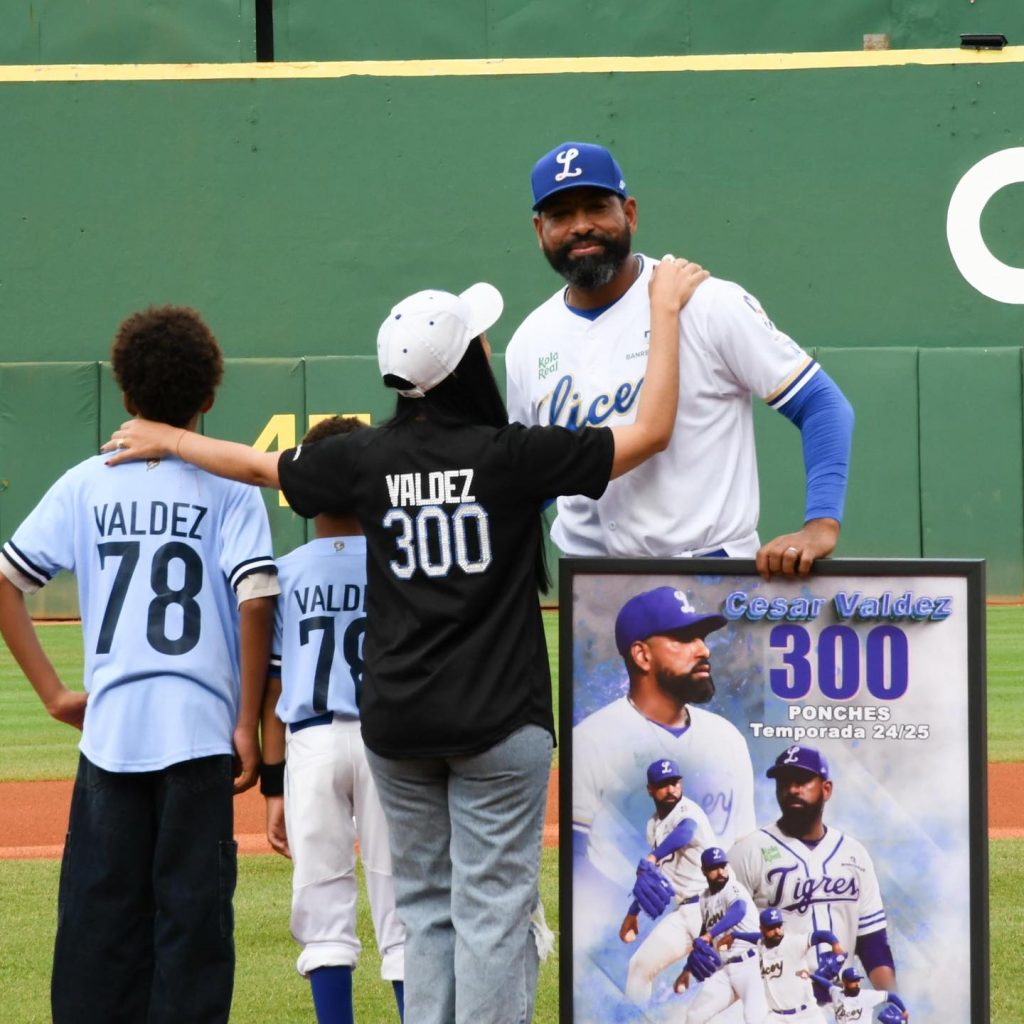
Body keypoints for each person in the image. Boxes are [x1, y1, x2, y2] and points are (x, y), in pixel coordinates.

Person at [101, 258, 709, 1024]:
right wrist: (666, 308)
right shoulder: (513, 454)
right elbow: (650, 432)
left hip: (398, 722)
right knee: (491, 915)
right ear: (461, 366)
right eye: (476, 341)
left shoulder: (367, 458)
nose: (487, 348)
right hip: (497, 720)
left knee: (425, 915)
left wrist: (166, 436)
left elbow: (257, 466)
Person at [0, 306, 278, 1024]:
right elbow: (256, 600)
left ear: (124, 395)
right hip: (197, 734)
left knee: (99, 923)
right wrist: (246, 721)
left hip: (112, 731)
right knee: (192, 926)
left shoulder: (84, 482)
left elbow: (6, 581)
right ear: (209, 397)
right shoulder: (232, 485)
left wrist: (56, 693)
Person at [505, 140, 855, 580]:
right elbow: (532, 474)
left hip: (707, 571)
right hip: (590, 585)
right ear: (539, 231)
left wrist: (820, 524)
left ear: (629, 214)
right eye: (561, 216)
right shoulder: (528, 342)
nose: (580, 226)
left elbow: (821, 404)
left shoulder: (704, 303)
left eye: (596, 207)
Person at [260, 415, 405, 1023]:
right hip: (389, 746)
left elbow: (272, 689)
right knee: (403, 906)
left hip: (312, 742)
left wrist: (272, 788)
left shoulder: (284, 572)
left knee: (321, 907)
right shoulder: (399, 565)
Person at [573, 586, 756, 883]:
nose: (704, 650)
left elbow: (743, 850)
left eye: (702, 638)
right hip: (619, 923)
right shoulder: (591, 740)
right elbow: (575, 861)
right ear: (642, 655)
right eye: (684, 639)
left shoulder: (728, 738)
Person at [728, 745, 897, 999]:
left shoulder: (854, 854)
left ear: (826, 789)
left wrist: (892, 1000)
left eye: (802, 781)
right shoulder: (747, 852)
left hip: (842, 1006)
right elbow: (727, 939)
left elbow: (872, 942)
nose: (792, 790)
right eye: (784, 782)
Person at [618, 758, 716, 1003]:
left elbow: (686, 832)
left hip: (715, 909)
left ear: (681, 784)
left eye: (674, 783)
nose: (671, 789)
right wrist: (633, 913)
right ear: (650, 789)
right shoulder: (653, 824)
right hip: (685, 914)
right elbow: (655, 875)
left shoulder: (688, 811)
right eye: (663, 785)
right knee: (639, 968)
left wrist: (652, 856)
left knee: (730, 984)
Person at [672, 846, 768, 1024]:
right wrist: (687, 970)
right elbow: (703, 936)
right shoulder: (705, 898)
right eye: (715, 868)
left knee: (756, 1018)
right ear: (704, 871)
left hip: (752, 965)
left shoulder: (733, 888)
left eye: (723, 866)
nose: (721, 871)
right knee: (694, 1016)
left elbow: (739, 910)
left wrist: (710, 935)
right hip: (727, 969)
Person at [728, 907, 845, 1023]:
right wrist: (735, 935)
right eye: (771, 928)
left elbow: (821, 935)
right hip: (777, 1017)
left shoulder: (794, 943)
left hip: (807, 1015)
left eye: (779, 926)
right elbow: (756, 938)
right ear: (762, 929)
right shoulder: (762, 944)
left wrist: (836, 945)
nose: (777, 931)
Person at [810, 966, 909, 1023]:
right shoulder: (837, 993)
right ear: (845, 982)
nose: (857, 983)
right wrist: (810, 975)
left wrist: (904, 1010)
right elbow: (827, 984)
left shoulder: (867, 996)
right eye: (853, 981)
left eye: (858, 980)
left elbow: (891, 996)